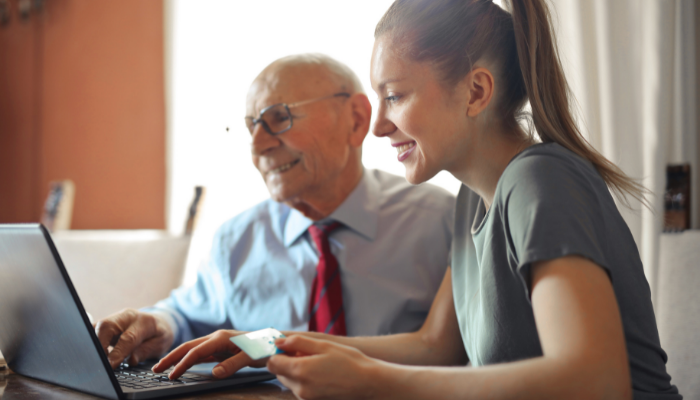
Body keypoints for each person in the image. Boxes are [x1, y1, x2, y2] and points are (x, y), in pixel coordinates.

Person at [154, 0, 683, 399]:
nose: (380, 125)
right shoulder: (472, 201)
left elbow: (597, 379)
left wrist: (370, 381)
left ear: (476, 92)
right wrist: (265, 343)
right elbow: (434, 345)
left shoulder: (540, 182)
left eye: (395, 95)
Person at [94, 53, 455, 370]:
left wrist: (265, 345)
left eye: (278, 118)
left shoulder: (441, 221)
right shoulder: (237, 238)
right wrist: (158, 324)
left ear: (357, 119)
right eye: (252, 126)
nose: (258, 146)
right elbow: (187, 316)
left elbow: (452, 352)